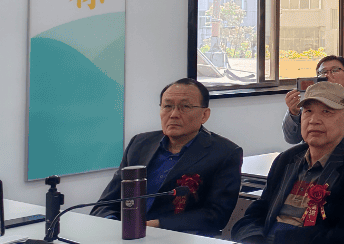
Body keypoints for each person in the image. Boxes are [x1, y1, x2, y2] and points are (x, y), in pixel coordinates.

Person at [231, 82, 344, 244]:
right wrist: (253, 241)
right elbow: (256, 213)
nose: (314, 120)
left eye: (326, 112)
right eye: (308, 111)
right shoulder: (286, 160)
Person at [92, 79, 241, 235]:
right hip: (125, 234)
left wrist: (155, 225)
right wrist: (111, 224)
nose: (174, 114)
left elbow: (216, 215)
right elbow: (106, 203)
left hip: (180, 239)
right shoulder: (139, 143)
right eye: (168, 106)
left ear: (204, 115)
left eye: (185, 107)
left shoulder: (225, 153)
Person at [282, 55, 344, 146]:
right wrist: (293, 113)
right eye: (323, 72)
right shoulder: (311, 102)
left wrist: (342, 97)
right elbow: (292, 139)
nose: (327, 75)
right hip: (312, 153)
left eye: (335, 70)